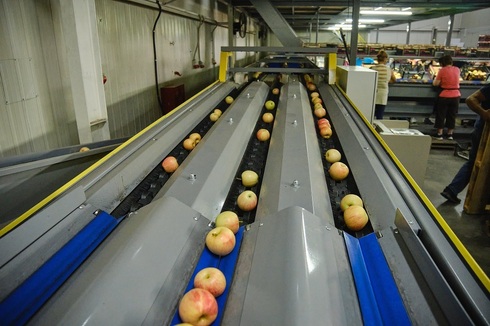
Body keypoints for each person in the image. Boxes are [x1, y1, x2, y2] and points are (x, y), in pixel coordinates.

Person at [441, 85, 490, 203]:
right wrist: (483, 113)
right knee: (475, 160)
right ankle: (452, 190)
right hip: (484, 128)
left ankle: (453, 190)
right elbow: (470, 99)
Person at [432, 55, 461, 140]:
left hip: (444, 95)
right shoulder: (457, 69)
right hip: (456, 95)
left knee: (441, 114)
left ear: (442, 63)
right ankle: (450, 134)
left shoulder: (442, 70)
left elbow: (436, 83)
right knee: (452, 115)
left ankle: (439, 134)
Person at [370, 50, 396, 120]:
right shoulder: (388, 70)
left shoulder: (372, 69)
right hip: (382, 95)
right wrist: (386, 80)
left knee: (370, 115)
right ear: (385, 59)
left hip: (373, 94)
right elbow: (394, 80)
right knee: (379, 116)